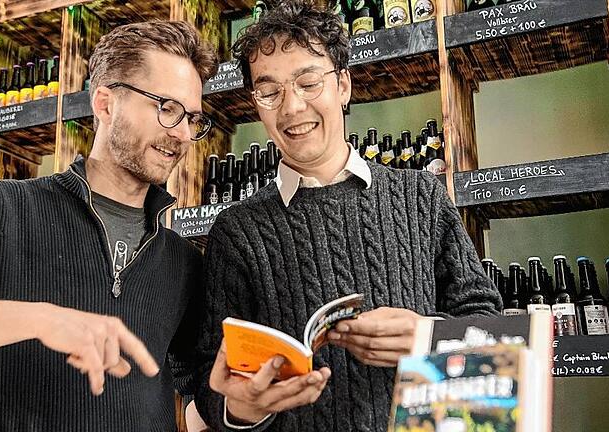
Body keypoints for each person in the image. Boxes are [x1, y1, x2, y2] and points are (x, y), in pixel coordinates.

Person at [0, 20, 218, 431]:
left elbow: (198, 395)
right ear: (105, 104)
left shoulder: (183, 261)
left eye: (192, 118)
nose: (183, 135)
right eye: (166, 108)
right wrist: (40, 320)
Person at [194, 1, 502, 431]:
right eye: (270, 91)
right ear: (255, 103)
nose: (292, 107)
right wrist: (244, 407)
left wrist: (427, 336)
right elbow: (211, 380)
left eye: (308, 82)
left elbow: (488, 323)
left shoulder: (422, 196)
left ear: (343, 86)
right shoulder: (237, 231)